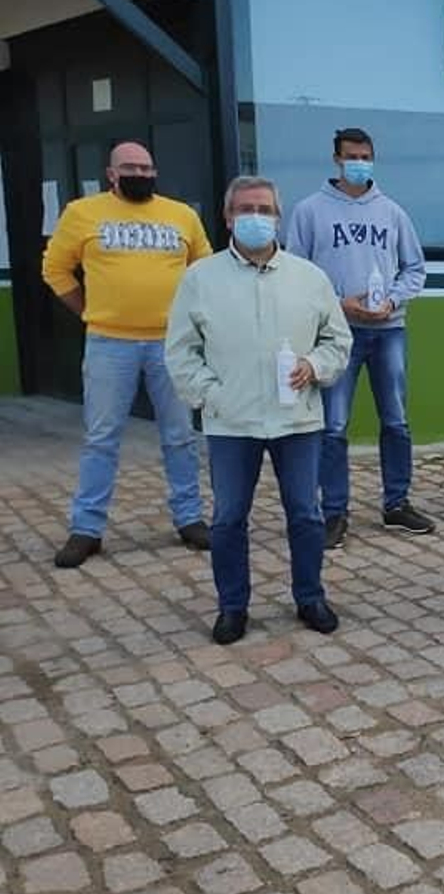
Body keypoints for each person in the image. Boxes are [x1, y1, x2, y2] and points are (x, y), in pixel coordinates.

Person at [165, 176, 353, 645]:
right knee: (228, 518)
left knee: (306, 515)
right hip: (231, 423)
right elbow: (181, 351)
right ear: (228, 218)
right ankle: (233, 607)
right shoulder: (200, 278)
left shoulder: (309, 278)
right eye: (246, 209)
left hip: (297, 421)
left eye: (264, 209)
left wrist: (314, 365)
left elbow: (338, 339)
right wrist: (211, 394)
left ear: (277, 216)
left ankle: (309, 596)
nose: (256, 217)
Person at [41, 140, 212, 568]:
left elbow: (205, 269)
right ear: (112, 173)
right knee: (101, 439)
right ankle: (87, 528)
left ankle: (189, 519)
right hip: (108, 343)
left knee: (180, 436)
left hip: (170, 343)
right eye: (131, 167)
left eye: (147, 167)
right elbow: (55, 268)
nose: (141, 173)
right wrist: (89, 312)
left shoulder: (180, 215)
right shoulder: (83, 213)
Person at [286, 127, 432, 548]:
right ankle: (334, 513)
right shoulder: (310, 211)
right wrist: (337, 303)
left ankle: (396, 503)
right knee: (332, 425)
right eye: (351, 155)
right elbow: (296, 273)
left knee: (396, 420)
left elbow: (414, 269)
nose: (359, 163)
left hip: (388, 331)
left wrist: (392, 300)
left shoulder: (392, 212)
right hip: (336, 335)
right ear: (336, 159)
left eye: (365, 155)